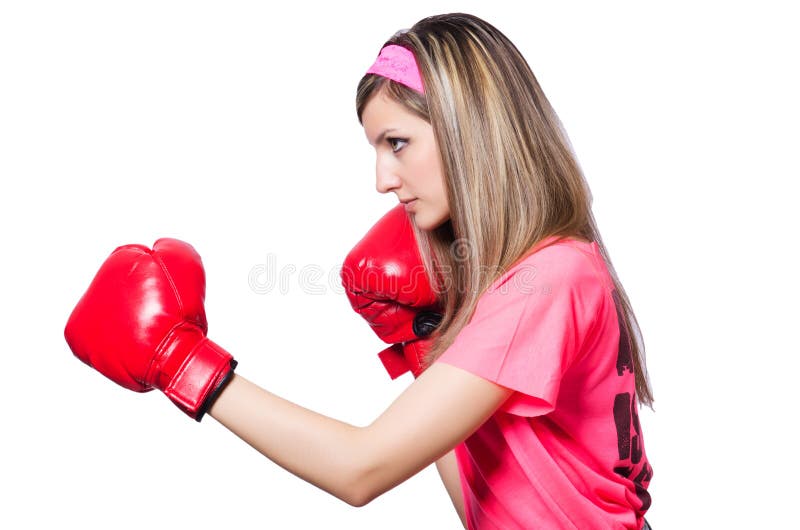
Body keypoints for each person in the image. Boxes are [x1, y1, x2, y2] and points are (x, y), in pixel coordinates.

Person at [64, 12, 654, 530]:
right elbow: (481, 504)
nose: (382, 180)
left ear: (469, 131)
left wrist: (182, 363)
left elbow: (361, 469)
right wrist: (421, 338)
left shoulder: (548, 280)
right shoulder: (540, 272)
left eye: (397, 143)